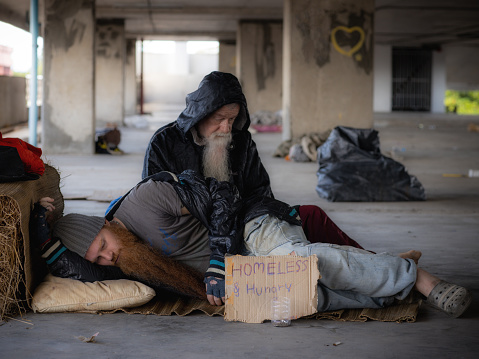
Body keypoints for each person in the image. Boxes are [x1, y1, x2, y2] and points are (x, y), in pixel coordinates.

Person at [31, 172, 471, 317]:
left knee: (301, 262)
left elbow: (221, 197)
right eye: (101, 258)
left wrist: (219, 262)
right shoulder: (121, 261)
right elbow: (82, 272)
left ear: (108, 224)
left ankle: (418, 277)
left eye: (105, 245)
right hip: (245, 271)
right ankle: (395, 288)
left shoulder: (145, 199)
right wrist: (43, 230)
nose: (109, 257)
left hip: (253, 228)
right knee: (307, 297)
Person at [140, 71, 364, 250]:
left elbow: (261, 192)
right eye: (219, 119)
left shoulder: (242, 142)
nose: (226, 128)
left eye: (232, 119)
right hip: (194, 237)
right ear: (201, 114)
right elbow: (152, 202)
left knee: (312, 216)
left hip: (247, 224)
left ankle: (369, 259)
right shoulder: (164, 142)